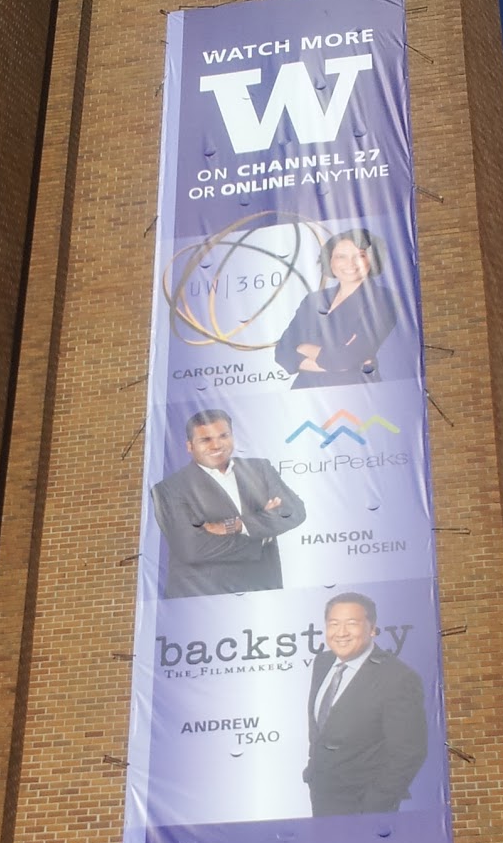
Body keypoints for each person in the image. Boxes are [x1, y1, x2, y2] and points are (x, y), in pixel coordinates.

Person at [152, 409, 307, 597]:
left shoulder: (260, 469)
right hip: (203, 598)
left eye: (223, 436)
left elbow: (294, 511)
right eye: (206, 440)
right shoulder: (169, 489)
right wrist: (262, 535)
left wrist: (237, 525)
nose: (216, 445)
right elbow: (192, 548)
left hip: (263, 591)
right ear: (189, 446)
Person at [303, 592, 427, 815]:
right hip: (321, 798)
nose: (341, 632)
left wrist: (374, 806)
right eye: (334, 624)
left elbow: (408, 753)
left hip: (365, 807)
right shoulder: (323, 662)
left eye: (352, 623)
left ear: (372, 629)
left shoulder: (398, 678)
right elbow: (321, 727)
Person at [274, 229, 399, 388]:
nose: (350, 263)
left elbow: (346, 359)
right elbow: (283, 353)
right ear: (329, 260)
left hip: (354, 392)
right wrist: (339, 362)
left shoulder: (383, 299)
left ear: (372, 260)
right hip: (305, 393)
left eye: (360, 256)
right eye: (341, 256)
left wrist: (302, 348)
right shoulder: (313, 301)